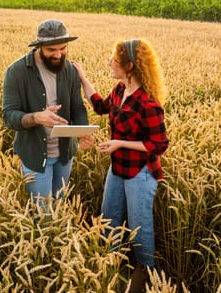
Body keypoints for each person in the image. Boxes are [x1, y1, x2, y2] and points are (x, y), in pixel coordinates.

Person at [73, 39, 169, 292]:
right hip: (117, 169)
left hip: (141, 173)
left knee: (139, 227)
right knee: (109, 218)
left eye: (114, 61)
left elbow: (159, 144)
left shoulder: (148, 103)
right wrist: (82, 76)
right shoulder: (119, 89)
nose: (109, 64)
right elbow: (99, 106)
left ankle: (147, 277)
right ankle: (109, 269)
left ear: (129, 66)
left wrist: (119, 143)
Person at [2, 19, 95, 208]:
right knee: (43, 214)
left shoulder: (69, 70)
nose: (59, 54)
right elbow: (9, 115)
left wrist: (83, 131)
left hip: (64, 154)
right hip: (35, 156)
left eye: (63, 48)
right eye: (52, 50)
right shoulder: (16, 72)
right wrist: (36, 117)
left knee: (59, 206)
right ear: (39, 47)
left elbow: (77, 107)